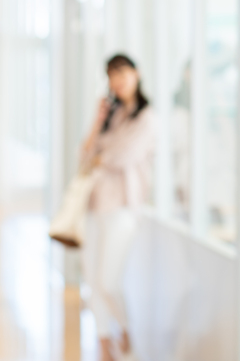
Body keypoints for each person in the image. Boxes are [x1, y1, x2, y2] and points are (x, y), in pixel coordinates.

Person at [80, 54, 155, 361]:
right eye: (112, 75)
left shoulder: (148, 117)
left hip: (123, 208)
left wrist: (102, 155)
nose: (118, 80)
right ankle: (103, 346)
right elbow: (84, 156)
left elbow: (124, 155)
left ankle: (123, 329)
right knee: (93, 281)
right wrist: (98, 122)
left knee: (109, 281)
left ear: (136, 74)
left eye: (122, 72)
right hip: (95, 206)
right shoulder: (112, 115)